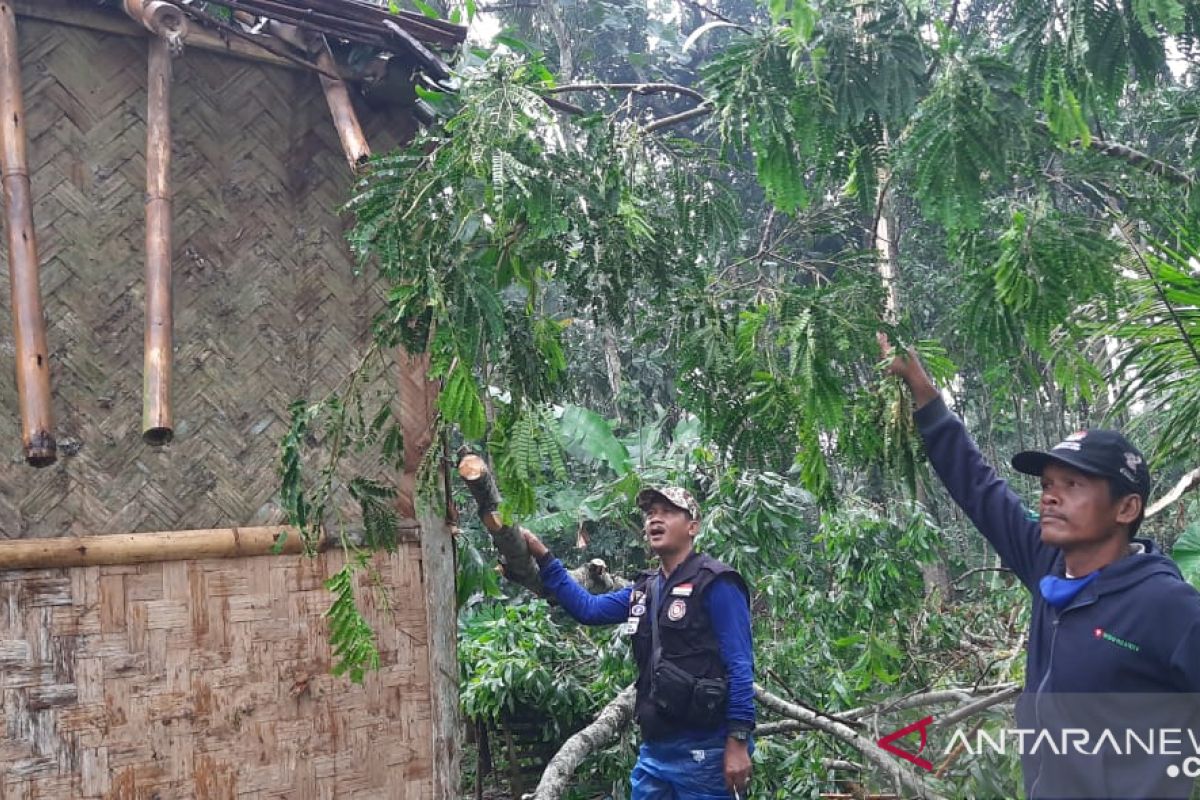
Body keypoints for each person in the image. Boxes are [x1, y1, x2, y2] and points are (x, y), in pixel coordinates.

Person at [882, 334, 1200, 799]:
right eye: (1048, 483)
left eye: (1073, 484)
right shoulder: (1048, 567)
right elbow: (978, 488)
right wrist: (925, 396)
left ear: (1126, 509)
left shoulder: (1165, 606)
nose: (1050, 496)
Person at [522, 486, 755, 799]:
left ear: (693, 526)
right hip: (655, 750)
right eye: (650, 514)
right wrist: (543, 556)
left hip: (706, 748)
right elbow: (589, 609)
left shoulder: (716, 582)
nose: (655, 519)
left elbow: (740, 665)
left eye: (668, 512)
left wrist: (738, 740)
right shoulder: (645, 590)